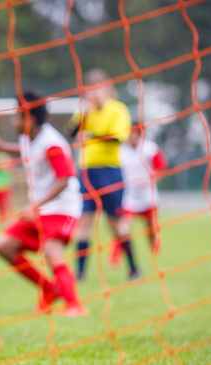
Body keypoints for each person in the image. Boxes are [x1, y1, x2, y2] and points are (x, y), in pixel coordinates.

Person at [0, 91, 87, 316]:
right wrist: (1, 146)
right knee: (4, 245)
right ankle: (50, 289)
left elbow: (65, 177)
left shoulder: (52, 143)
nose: (13, 120)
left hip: (62, 208)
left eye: (16, 116)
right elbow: (25, 151)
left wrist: (35, 205)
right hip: (40, 209)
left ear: (29, 120)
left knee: (52, 250)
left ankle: (75, 305)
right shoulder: (27, 138)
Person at [67, 69, 135, 281]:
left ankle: (134, 268)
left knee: (115, 223)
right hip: (87, 172)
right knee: (84, 221)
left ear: (107, 87)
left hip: (110, 172)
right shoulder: (85, 110)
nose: (93, 91)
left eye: (97, 86)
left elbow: (118, 138)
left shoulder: (118, 109)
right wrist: (85, 113)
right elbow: (70, 132)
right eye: (90, 87)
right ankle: (80, 273)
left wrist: (91, 135)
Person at [112, 122, 168, 267]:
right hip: (128, 196)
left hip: (148, 196)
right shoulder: (120, 150)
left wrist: (152, 181)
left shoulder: (150, 149)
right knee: (123, 226)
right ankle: (114, 257)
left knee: (150, 227)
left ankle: (155, 249)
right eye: (129, 133)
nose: (130, 136)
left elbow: (161, 167)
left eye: (133, 133)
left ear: (140, 134)